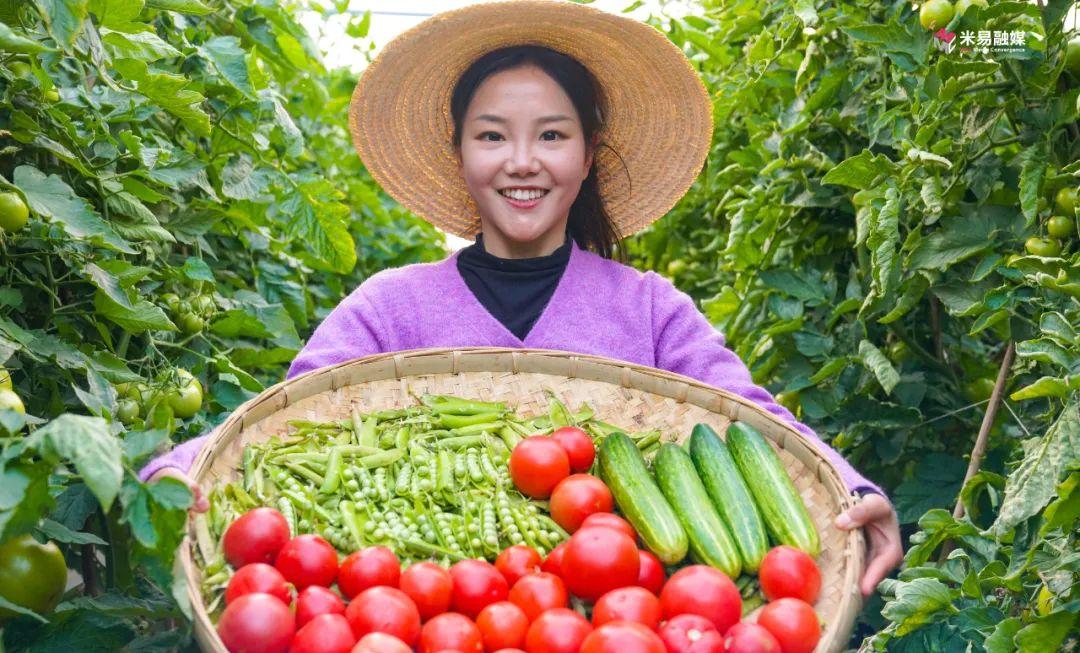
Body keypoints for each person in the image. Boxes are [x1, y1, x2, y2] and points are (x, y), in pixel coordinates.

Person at [141, 0, 902, 597]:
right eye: (493, 136)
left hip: (616, 611)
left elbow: (748, 415)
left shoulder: (647, 307)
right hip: (427, 604)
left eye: (552, 135)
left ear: (588, 154)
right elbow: (280, 416)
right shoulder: (391, 307)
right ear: (459, 152)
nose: (523, 162)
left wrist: (852, 488)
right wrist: (177, 472)